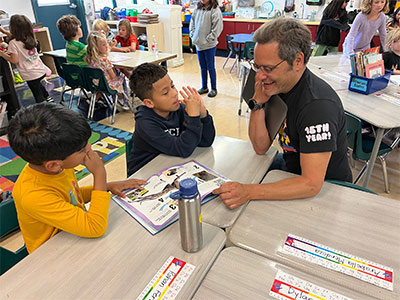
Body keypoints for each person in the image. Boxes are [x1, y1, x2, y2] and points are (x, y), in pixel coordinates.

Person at [213, 18, 352, 209]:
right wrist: (258, 103)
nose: (260, 75)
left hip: (327, 191)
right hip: (291, 172)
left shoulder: (317, 107)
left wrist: (249, 192)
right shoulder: (275, 85)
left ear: (297, 61)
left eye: (268, 68)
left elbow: (311, 184)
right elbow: (260, 146)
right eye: (257, 66)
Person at [8, 102, 146, 253]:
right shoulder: (33, 195)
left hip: (74, 238)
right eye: (81, 149)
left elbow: (71, 196)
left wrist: (107, 186)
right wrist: (99, 174)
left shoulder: (58, 167)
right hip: (54, 257)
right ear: (53, 165)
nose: (89, 149)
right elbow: (95, 228)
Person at [127, 63, 216, 176]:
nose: (174, 93)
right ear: (149, 103)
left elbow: (206, 141)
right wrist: (193, 117)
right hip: (145, 175)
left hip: (170, 167)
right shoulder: (145, 123)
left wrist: (203, 115)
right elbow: (184, 149)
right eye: (165, 93)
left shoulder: (178, 109)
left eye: (172, 86)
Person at [0, 15, 53, 103]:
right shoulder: (29, 37)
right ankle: (49, 99)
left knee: (37, 94)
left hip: (30, 74)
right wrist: (3, 31)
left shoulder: (13, 43)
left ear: (13, 28)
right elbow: (14, 37)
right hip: (40, 70)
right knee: (39, 86)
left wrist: (2, 54)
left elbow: (14, 60)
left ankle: (44, 109)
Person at [85, 31, 131, 110]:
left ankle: (99, 99)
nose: (107, 46)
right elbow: (113, 77)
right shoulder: (104, 60)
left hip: (95, 84)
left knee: (114, 73)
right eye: (104, 45)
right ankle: (125, 101)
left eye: (107, 43)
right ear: (96, 47)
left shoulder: (90, 58)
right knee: (122, 76)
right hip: (107, 85)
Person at [189, 0, 223, 98]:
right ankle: (204, 87)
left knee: (210, 67)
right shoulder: (197, 8)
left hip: (209, 45)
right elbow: (192, 22)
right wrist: (193, 35)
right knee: (203, 67)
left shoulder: (215, 10)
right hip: (198, 44)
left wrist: (209, 39)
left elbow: (218, 27)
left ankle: (214, 88)